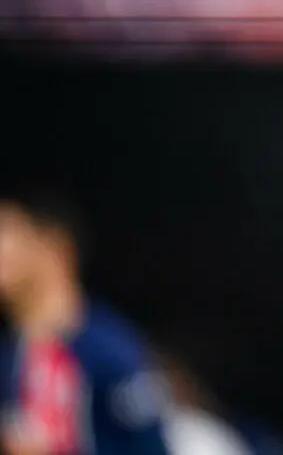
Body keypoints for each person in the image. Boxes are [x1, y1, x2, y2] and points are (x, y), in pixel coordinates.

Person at [0, 186, 171, 455]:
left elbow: (151, 447)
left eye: (6, 234)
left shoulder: (110, 351)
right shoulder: (11, 353)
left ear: (54, 247)